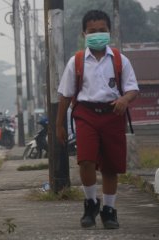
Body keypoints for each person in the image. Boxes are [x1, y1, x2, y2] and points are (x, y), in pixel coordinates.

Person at [56, 10, 139, 229]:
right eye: (92, 31)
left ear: (109, 32)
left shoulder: (121, 60)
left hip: (113, 114)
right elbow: (64, 95)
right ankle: (91, 203)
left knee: (111, 166)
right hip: (86, 114)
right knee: (86, 160)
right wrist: (59, 125)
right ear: (84, 33)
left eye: (102, 30)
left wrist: (124, 99)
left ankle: (109, 210)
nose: (97, 35)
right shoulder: (77, 61)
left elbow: (132, 88)